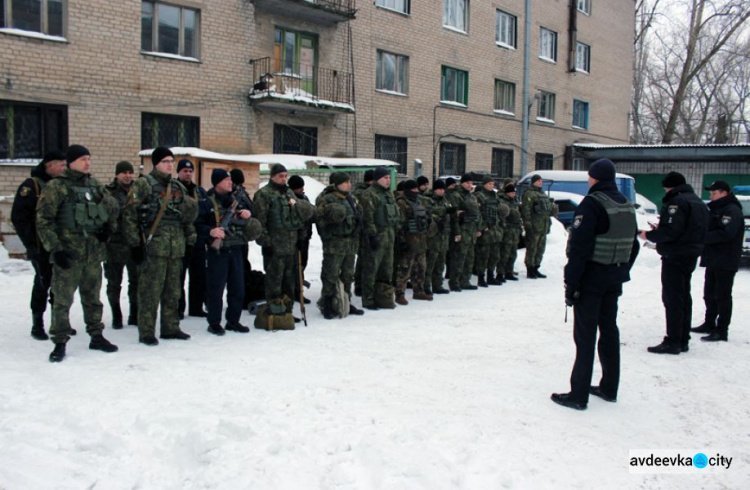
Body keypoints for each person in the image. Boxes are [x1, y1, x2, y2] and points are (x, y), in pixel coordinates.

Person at [551, 159, 639, 410]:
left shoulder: (592, 204)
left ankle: (578, 395)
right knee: (609, 331)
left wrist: (571, 283)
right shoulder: (625, 204)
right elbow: (633, 245)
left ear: (594, 178)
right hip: (614, 277)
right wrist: (622, 269)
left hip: (591, 279)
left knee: (585, 336)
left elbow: (579, 249)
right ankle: (609, 387)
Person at [36, 145, 120, 362]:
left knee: (93, 298)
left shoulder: (94, 185)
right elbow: (44, 221)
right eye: (83, 159)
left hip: (92, 252)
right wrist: (55, 249)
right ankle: (60, 341)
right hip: (68, 253)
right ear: (71, 162)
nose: (87, 163)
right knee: (62, 300)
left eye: (89, 159)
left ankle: (96, 335)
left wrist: (106, 230)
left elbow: (113, 208)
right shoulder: (57, 187)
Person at [123, 147, 198, 346]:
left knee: (173, 290)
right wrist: (134, 244)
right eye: (165, 161)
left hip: (175, 247)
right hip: (153, 247)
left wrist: (190, 240)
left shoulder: (177, 187)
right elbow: (130, 215)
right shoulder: (143, 184)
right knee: (150, 291)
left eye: (171, 161)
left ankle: (170, 327)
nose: (169, 165)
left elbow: (186, 218)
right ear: (155, 163)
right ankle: (146, 331)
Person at [639, 171, 709, 354]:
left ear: (671, 186)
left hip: (676, 255)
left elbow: (671, 231)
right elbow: (689, 228)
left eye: (666, 187)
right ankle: (682, 339)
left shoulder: (677, 202)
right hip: (690, 254)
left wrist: (648, 235)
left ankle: (673, 341)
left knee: (673, 299)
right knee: (684, 297)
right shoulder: (697, 201)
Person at [196, 169, 260, 335]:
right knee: (216, 289)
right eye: (226, 180)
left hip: (237, 249)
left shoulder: (236, 200)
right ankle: (214, 322)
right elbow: (196, 225)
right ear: (217, 183)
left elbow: (251, 219)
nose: (230, 183)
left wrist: (247, 215)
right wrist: (211, 232)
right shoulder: (207, 203)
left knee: (238, 288)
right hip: (218, 252)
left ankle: (233, 320)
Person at [11, 151, 67, 340]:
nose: (63, 168)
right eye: (60, 164)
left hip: (59, 245)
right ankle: (38, 325)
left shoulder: (61, 185)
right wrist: (31, 245)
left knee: (60, 285)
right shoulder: (31, 186)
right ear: (49, 165)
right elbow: (19, 218)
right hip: (40, 246)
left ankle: (57, 323)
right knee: (43, 283)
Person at [254, 164, 315, 314]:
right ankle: (275, 312)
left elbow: (296, 212)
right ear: (272, 176)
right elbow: (260, 221)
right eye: (280, 176)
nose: (283, 179)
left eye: (285, 176)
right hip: (274, 246)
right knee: (274, 282)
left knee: (289, 282)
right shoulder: (264, 195)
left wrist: (300, 235)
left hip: (290, 246)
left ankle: (287, 312)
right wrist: (265, 241)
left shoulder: (289, 194)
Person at [691, 180, 744, 342]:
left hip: (725, 260)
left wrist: (702, 238)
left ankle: (722, 329)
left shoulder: (731, 210)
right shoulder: (718, 209)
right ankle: (709, 323)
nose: (711, 196)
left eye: (714, 193)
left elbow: (725, 234)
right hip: (714, 259)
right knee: (710, 294)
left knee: (722, 296)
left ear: (724, 193)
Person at [316, 172, 365, 318]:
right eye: (345, 182)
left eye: (349, 182)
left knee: (348, 275)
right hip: (335, 243)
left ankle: (345, 301)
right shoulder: (327, 199)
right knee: (330, 274)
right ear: (335, 185)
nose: (349, 184)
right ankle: (327, 304)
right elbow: (320, 221)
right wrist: (328, 238)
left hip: (350, 243)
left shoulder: (351, 199)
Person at [359, 166, 400, 310]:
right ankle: (368, 299)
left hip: (389, 236)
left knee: (387, 269)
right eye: (385, 178)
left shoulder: (389, 194)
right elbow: (367, 218)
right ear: (377, 179)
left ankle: (383, 297)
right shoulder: (369, 195)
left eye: (389, 178)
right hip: (376, 237)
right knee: (371, 269)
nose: (388, 180)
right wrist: (372, 235)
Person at [103, 160, 138, 329]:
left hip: (134, 244)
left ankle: (134, 314)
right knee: (114, 282)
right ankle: (116, 315)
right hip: (115, 244)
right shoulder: (107, 193)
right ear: (117, 174)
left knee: (136, 281)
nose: (128, 176)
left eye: (130, 172)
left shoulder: (138, 190)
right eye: (124, 172)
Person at [175, 159, 208, 318]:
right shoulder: (173, 190)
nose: (188, 174)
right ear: (178, 172)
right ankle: (178, 309)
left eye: (190, 171)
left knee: (199, 275)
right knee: (178, 276)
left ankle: (196, 307)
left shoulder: (200, 191)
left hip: (198, 239)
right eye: (184, 171)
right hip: (180, 240)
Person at [394, 179, 432, 304]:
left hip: (420, 240)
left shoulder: (419, 202)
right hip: (408, 240)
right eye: (413, 190)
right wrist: (402, 241)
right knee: (404, 269)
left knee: (421, 267)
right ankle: (400, 293)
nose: (416, 191)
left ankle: (419, 291)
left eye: (417, 189)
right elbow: (400, 224)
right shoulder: (401, 203)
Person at [447, 174, 483, 291]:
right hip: (462, 230)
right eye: (467, 183)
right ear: (462, 183)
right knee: (458, 257)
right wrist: (457, 233)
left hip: (471, 230)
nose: (469, 185)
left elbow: (477, 214)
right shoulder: (456, 195)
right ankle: (454, 282)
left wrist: (478, 228)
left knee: (469, 257)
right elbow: (455, 216)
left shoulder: (472, 196)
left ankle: (465, 281)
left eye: (471, 183)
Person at [474, 175, 509, 286]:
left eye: (493, 184)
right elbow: (477, 213)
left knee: (495, 255)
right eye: (489, 184)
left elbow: (500, 211)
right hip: (486, 230)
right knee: (483, 255)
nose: (491, 186)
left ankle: (490, 276)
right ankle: (481, 277)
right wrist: (482, 226)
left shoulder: (495, 196)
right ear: (484, 184)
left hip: (495, 230)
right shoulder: (478, 196)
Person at [521, 174, 555, 278]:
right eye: (538, 181)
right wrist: (528, 225)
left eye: (541, 180)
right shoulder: (529, 194)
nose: (541, 182)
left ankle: (536, 267)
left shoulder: (542, 193)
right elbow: (526, 211)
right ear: (534, 182)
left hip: (543, 226)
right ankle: (530, 269)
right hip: (534, 226)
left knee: (540, 249)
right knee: (532, 248)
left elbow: (547, 210)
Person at [288, 175, 314, 304]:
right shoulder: (290, 200)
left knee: (302, 264)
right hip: (295, 239)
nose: (301, 190)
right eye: (299, 188)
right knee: (294, 266)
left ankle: (299, 289)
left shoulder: (304, 198)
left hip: (305, 238)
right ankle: (295, 292)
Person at [423, 179, 452, 295]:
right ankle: (425, 285)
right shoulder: (428, 199)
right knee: (430, 263)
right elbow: (429, 212)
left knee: (440, 262)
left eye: (443, 189)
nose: (441, 191)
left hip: (443, 236)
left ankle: (437, 285)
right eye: (439, 189)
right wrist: (443, 213)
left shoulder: (445, 200)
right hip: (433, 236)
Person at [353, 169, 374, 297]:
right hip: (362, 230)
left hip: (369, 229)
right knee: (362, 258)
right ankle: (359, 285)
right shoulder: (360, 192)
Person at [497, 183, 522, 282]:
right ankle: (500, 273)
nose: (513, 194)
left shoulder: (515, 201)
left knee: (513, 253)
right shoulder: (503, 202)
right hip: (507, 230)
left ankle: (509, 272)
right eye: (512, 192)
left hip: (515, 230)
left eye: (514, 192)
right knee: (504, 253)